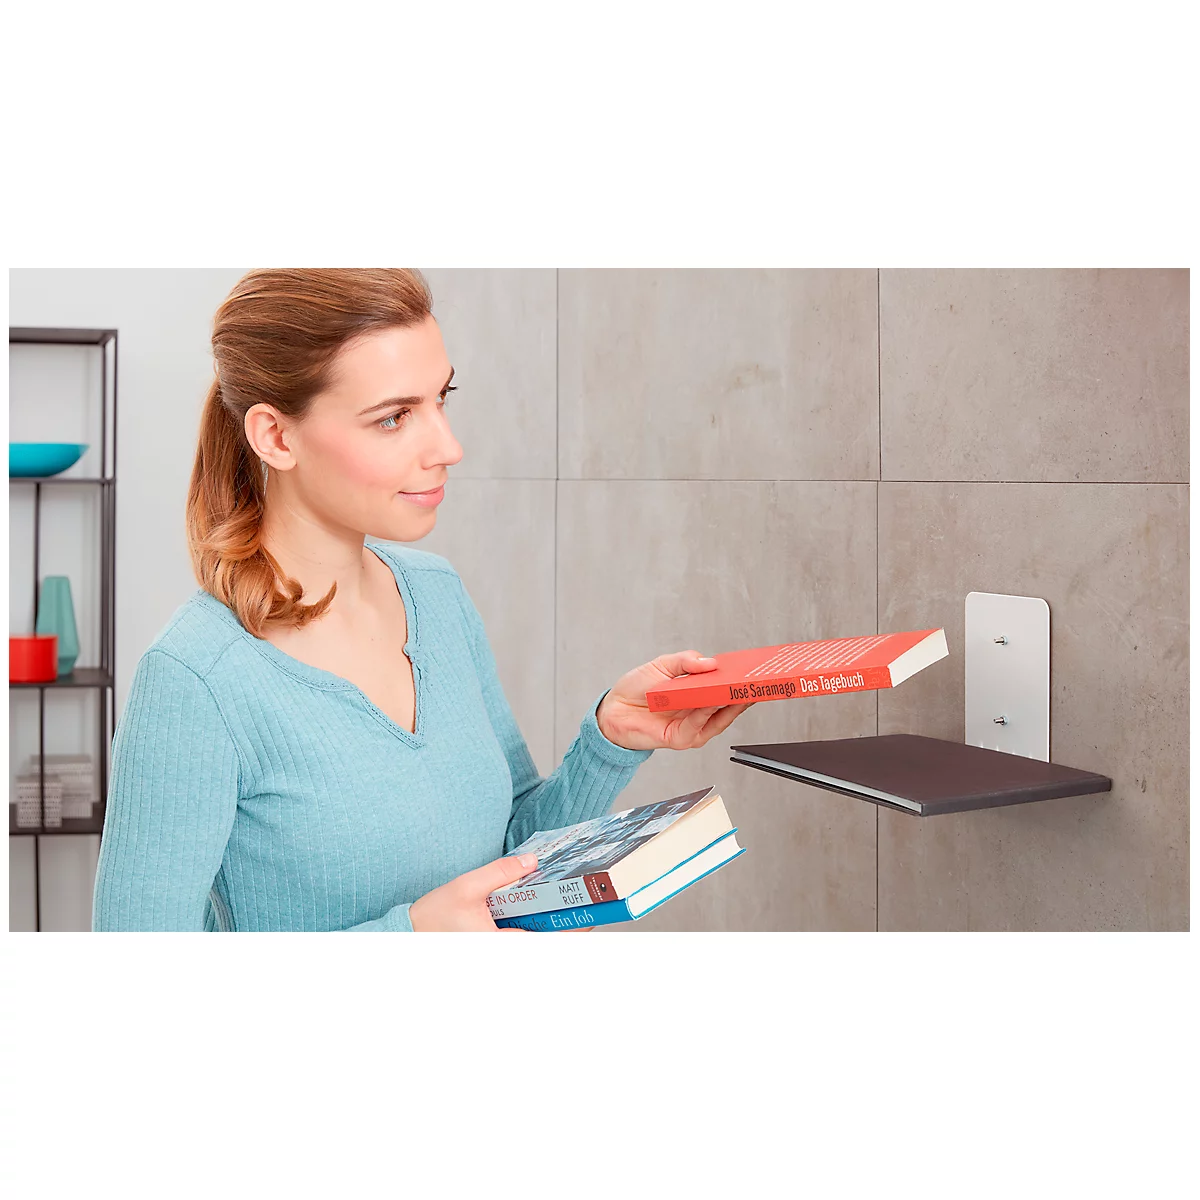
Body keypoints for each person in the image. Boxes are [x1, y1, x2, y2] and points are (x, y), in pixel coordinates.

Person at [91, 268, 753, 932]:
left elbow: (511, 851)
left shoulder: (436, 596)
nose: (448, 447)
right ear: (277, 437)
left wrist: (611, 736)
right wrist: (409, 937)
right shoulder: (195, 679)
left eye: (442, 398)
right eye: (394, 417)